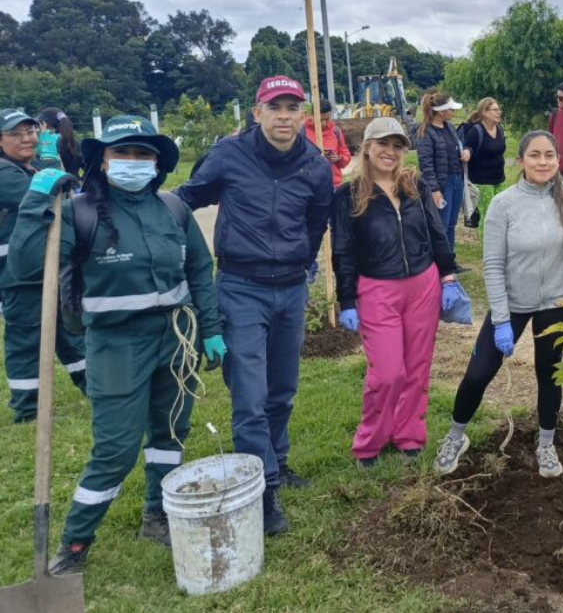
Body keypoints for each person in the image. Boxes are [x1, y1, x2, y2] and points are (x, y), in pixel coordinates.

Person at [7, 115, 224, 574]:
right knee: (116, 449)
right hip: (115, 345)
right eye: (121, 152)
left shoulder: (173, 209)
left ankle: (157, 513)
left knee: (169, 433)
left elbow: (200, 272)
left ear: (156, 163)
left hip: (177, 340)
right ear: (102, 161)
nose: (132, 161)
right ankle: (76, 543)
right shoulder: (80, 211)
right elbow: (26, 268)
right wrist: (36, 202)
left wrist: (212, 328)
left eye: (142, 154)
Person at [175, 75, 334, 535]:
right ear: (256, 112)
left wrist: (301, 264)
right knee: (249, 395)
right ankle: (261, 490)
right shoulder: (229, 156)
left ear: (302, 114)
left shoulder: (315, 166)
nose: (284, 116)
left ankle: (278, 463)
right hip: (240, 288)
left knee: (282, 388)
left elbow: (316, 222)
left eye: (292, 108)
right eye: (275, 107)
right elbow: (186, 200)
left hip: (290, 290)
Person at [433, 131, 563, 478]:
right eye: (535, 155)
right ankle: (456, 436)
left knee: (549, 374)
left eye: (549, 155)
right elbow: (492, 264)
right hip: (513, 304)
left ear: (559, 160)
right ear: (521, 161)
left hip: (556, 303)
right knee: (479, 372)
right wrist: (501, 319)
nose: (543, 162)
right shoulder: (504, 204)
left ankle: (546, 444)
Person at [331, 117, 466, 467]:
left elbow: (437, 232)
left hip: (423, 284)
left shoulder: (414, 185)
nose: (390, 152)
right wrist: (347, 300)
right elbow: (343, 250)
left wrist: (448, 275)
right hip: (377, 288)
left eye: (397, 146)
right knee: (388, 373)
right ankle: (369, 442)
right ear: (367, 147)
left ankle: (408, 435)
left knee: (417, 368)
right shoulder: (348, 194)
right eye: (383, 144)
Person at [0, 109, 88, 423]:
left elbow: (66, 194)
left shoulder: (31, 165)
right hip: (17, 274)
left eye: (31, 131)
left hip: (50, 267)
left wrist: (49, 166)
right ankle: (27, 409)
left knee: (70, 332)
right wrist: (51, 165)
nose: (28, 138)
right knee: (25, 340)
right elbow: (42, 198)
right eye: (16, 133)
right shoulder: (4, 172)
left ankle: (94, 388)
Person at [415, 92, 467, 261]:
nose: (453, 112)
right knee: (441, 226)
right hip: (442, 185)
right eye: (451, 109)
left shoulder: (450, 127)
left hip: (457, 179)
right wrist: (434, 189)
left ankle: (449, 260)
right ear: (441, 111)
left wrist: (465, 152)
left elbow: (458, 146)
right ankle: (439, 262)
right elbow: (426, 164)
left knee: (451, 224)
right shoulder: (426, 132)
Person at [461, 98, 506, 234]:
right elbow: (469, 146)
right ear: (485, 113)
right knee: (488, 215)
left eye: (499, 109)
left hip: (500, 179)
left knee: (502, 213)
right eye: (495, 110)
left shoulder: (499, 129)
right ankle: (488, 248)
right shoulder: (476, 131)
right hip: (482, 182)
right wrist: (467, 152)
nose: (499, 112)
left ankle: (500, 243)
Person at [304, 99, 352, 188]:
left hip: (334, 185)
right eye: (320, 120)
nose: (324, 123)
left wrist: (338, 159)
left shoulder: (336, 131)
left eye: (327, 119)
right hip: (311, 186)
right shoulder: (302, 132)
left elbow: (346, 155)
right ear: (311, 115)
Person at [37, 108, 84, 176]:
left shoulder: (49, 144)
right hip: (75, 183)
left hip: (58, 184)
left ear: (44, 124)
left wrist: (44, 137)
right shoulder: (75, 142)